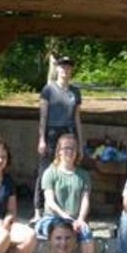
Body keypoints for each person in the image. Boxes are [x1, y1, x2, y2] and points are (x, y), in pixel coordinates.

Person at [36, 133, 96, 253]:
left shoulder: (83, 175)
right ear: (59, 151)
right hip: (53, 217)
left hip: (75, 218)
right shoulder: (50, 172)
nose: (69, 151)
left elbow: (85, 199)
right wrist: (65, 217)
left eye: (73, 148)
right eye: (66, 148)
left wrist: (80, 219)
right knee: (61, 232)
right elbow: (50, 201)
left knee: (86, 231)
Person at [34, 55, 83, 213]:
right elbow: (43, 116)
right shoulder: (48, 89)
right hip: (52, 132)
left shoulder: (75, 92)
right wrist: (41, 139)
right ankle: (38, 209)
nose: (65, 70)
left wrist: (80, 142)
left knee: (68, 168)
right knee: (45, 170)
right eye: (62, 66)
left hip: (69, 132)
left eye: (68, 67)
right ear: (57, 69)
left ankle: (66, 207)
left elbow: (77, 118)